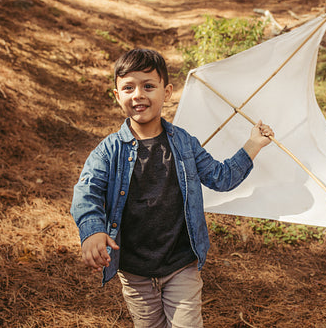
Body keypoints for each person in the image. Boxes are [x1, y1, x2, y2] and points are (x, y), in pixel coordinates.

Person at [70, 48, 274, 328]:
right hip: (134, 270)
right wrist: (93, 231)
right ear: (118, 96)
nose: (138, 95)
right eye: (128, 87)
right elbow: (87, 193)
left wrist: (253, 145)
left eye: (148, 86)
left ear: (166, 93)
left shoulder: (184, 143)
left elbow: (221, 177)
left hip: (181, 264)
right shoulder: (108, 151)